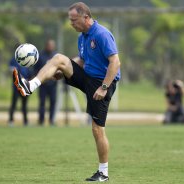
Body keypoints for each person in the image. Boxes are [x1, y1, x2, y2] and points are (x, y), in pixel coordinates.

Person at [13, 2, 121, 182]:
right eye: (70, 20)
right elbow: (82, 60)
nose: (71, 23)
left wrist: (104, 87)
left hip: (102, 84)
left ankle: (103, 173)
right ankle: (30, 86)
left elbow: (115, 62)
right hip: (87, 77)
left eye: (74, 20)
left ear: (86, 18)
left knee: (97, 129)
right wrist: (61, 70)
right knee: (59, 59)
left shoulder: (101, 34)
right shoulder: (82, 37)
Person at [34, 39, 58, 126]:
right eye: (49, 45)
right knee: (42, 103)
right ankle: (41, 121)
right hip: (43, 84)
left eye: (52, 45)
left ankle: (51, 120)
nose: (51, 47)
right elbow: (35, 69)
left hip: (53, 85)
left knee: (53, 103)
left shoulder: (56, 56)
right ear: (46, 45)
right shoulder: (40, 56)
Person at [8, 57, 31, 126]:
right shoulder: (13, 60)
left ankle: (25, 121)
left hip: (25, 87)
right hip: (16, 87)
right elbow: (12, 71)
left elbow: (30, 73)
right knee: (14, 104)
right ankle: (11, 121)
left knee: (24, 105)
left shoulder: (27, 59)